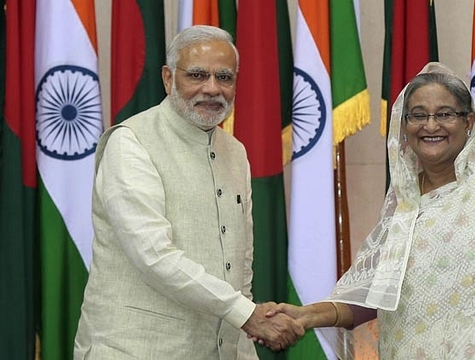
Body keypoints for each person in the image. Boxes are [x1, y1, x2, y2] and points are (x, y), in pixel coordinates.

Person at [267, 62, 475, 359]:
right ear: (405, 126)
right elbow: (378, 295)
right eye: (419, 115)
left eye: (445, 114)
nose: (431, 125)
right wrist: (307, 315)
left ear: (468, 122)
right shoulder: (404, 202)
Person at [74, 25, 303, 359]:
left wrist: (244, 343)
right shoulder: (131, 142)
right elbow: (153, 254)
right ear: (168, 78)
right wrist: (246, 314)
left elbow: (240, 264)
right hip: (134, 349)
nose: (212, 89)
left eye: (224, 78)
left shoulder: (235, 151)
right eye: (197, 75)